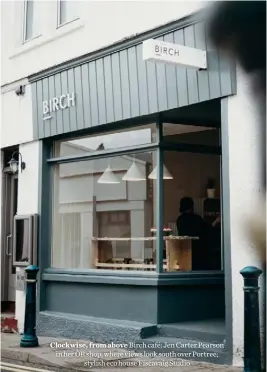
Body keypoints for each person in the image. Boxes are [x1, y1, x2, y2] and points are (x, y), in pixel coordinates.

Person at [176, 197, 208, 270]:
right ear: (192, 207)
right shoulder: (197, 218)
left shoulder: (179, 220)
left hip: (184, 248)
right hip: (198, 250)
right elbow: (206, 230)